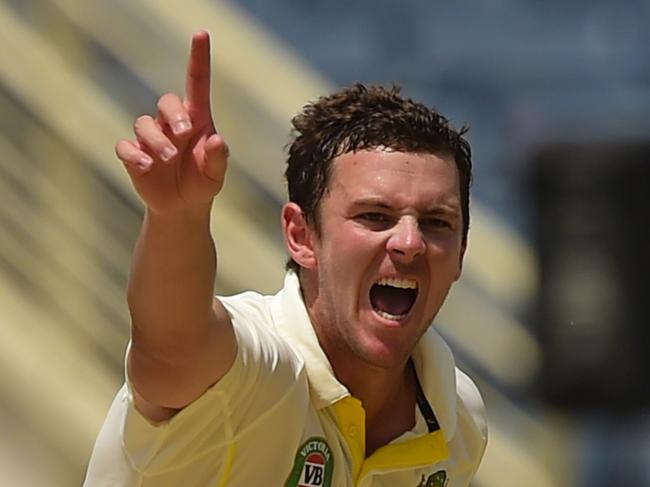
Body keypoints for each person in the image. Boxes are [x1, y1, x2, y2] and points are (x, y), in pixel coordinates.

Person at [84, 31, 487, 487]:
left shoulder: (459, 416)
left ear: (461, 253)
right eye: (375, 216)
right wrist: (176, 217)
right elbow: (170, 350)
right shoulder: (253, 371)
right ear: (301, 235)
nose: (410, 242)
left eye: (437, 222)